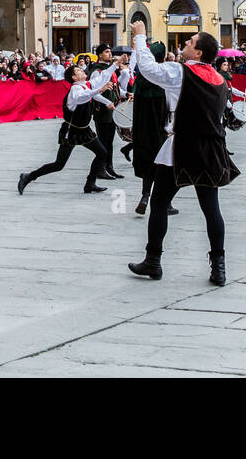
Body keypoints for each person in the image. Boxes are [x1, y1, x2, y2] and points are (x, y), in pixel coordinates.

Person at [126, 20, 238, 286]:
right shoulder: (220, 80)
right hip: (211, 149)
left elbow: (148, 69)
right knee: (212, 209)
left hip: (182, 146)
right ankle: (218, 268)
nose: (185, 44)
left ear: (199, 53)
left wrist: (140, 37)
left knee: (159, 204)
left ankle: (153, 261)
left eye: (189, 42)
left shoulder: (180, 73)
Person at [17, 59, 119, 195]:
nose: (83, 70)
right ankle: (29, 176)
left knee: (102, 153)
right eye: (79, 70)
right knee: (59, 165)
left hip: (84, 129)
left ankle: (90, 183)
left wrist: (116, 65)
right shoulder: (75, 89)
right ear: (74, 77)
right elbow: (82, 98)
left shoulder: (86, 85)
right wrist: (100, 89)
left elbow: (103, 77)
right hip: (71, 131)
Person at [129, 40, 177, 218]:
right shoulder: (163, 79)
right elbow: (170, 104)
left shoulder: (140, 80)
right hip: (160, 129)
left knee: (148, 163)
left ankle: (144, 196)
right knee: (164, 165)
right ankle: (166, 203)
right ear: (162, 58)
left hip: (142, 130)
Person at [88, 44, 124, 180]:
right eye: (107, 52)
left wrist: (126, 94)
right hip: (102, 110)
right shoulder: (97, 70)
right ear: (100, 55)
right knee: (103, 142)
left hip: (112, 110)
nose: (110, 54)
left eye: (110, 51)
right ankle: (100, 169)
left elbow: (114, 89)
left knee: (109, 142)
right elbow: (93, 92)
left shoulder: (110, 70)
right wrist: (106, 102)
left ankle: (109, 167)